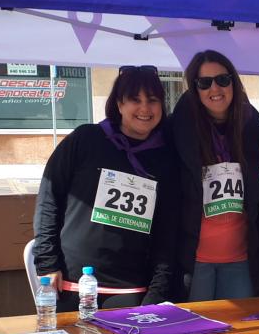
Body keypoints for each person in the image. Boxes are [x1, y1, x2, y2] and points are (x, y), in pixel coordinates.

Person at [33, 65, 178, 312]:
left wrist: (157, 292)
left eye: (153, 100)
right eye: (135, 100)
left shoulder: (166, 157)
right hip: (73, 282)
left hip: (131, 289)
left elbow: (167, 231)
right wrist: (47, 263)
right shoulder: (86, 139)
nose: (145, 108)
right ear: (119, 104)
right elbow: (49, 198)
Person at [170, 50, 259, 302]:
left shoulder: (253, 126)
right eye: (204, 82)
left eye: (222, 80)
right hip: (195, 260)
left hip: (241, 258)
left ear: (233, 82)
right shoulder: (178, 129)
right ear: (195, 88)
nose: (215, 88)